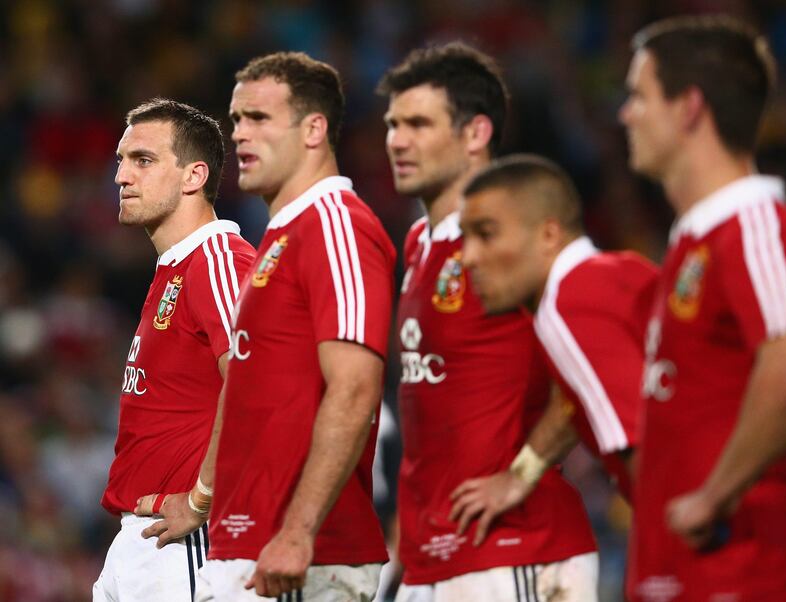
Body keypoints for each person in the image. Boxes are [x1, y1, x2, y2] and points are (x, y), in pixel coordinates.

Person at [137, 52, 395, 601]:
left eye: (259, 118)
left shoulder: (336, 225)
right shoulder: (279, 239)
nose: (240, 135)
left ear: (314, 129)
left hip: (303, 554)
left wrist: (298, 532)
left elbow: (354, 387)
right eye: (236, 119)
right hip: (244, 547)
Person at [378, 42, 598, 602]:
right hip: (431, 559)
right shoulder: (420, 243)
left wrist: (521, 474)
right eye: (393, 124)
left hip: (512, 550)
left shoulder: (518, 237)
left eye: (419, 124)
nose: (397, 140)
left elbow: (595, 359)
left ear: (476, 134)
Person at [618, 15, 786, 600]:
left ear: (689, 107)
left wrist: (712, 496)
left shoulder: (752, 226)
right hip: (682, 574)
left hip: (740, 571)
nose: (626, 114)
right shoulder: (695, 241)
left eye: (639, 96)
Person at [94, 98, 256, 601]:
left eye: (143, 161)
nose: (122, 176)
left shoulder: (218, 259)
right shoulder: (175, 269)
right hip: (141, 540)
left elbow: (254, 379)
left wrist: (202, 499)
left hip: (185, 541)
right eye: (121, 161)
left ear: (194, 176)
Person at [452, 153, 658, 528]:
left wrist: (674, 556)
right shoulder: (621, 272)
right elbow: (578, 396)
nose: (468, 258)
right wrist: (521, 474)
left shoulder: (567, 304)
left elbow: (649, 447)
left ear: (548, 234)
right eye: (465, 237)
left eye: (486, 234)